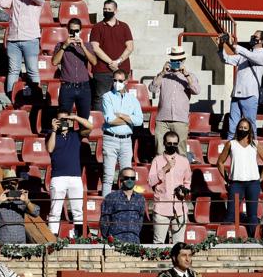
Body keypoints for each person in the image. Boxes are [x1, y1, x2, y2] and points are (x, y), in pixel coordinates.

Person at [218, 118, 263, 237]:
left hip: (253, 184)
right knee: (231, 214)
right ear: (237, 128)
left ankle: (253, 240)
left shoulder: (255, 143)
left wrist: (260, 179)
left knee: (252, 215)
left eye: (245, 128)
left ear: (249, 129)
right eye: (240, 127)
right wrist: (227, 179)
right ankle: (228, 240)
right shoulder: (231, 143)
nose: (242, 130)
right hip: (236, 184)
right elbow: (220, 162)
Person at [0, 0, 45, 101]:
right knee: (13, 71)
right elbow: (1, 3)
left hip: (30, 39)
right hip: (14, 40)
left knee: (32, 70)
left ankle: (37, 98)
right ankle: (10, 97)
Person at [47, 110, 92, 237]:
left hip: (75, 177)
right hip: (58, 177)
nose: (64, 122)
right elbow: (50, 148)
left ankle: (78, 236)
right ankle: (52, 237)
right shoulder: (52, 134)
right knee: (55, 210)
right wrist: (54, 130)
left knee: (78, 210)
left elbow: (90, 127)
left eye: (66, 120)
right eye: (60, 120)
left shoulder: (75, 134)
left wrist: (76, 117)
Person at [100, 69, 144, 198]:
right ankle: (106, 207)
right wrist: (129, 119)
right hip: (110, 139)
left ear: (126, 81)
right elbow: (110, 120)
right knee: (108, 176)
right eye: (114, 80)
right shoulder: (107, 96)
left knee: (127, 176)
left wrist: (123, 116)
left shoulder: (133, 100)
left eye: (120, 80)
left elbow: (139, 121)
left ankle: (124, 204)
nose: (117, 83)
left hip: (126, 140)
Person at [149, 46, 197, 158]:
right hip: (162, 119)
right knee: (160, 151)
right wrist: (161, 73)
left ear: (183, 60)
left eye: (178, 60)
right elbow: (152, 89)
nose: (176, 62)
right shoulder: (163, 75)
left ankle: (182, 174)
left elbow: (196, 90)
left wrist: (186, 76)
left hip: (180, 119)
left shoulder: (189, 76)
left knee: (181, 151)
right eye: (174, 60)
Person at [220, 31, 263, 140]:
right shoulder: (245, 54)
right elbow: (226, 59)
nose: (252, 38)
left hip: (250, 95)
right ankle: (230, 148)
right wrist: (221, 46)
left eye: (255, 37)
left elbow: (249, 54)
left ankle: (253, 149)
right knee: (233, 125)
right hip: (237, 94)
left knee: (250, 124)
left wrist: (231, 43)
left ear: (262, 41)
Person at [88, 0, 134, 109]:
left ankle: (120, 123)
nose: (106, 11)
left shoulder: (124, 26)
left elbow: (130, 47)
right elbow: (95, 47)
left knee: (121, 97)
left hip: (121, 69)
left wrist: (117, 62)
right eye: (105, 9)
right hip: (102, 70)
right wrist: (111, 62)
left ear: (115, 11)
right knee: (101, 98)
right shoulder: (97, 27)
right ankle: (99, 123)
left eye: (109, 9)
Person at [149, 130, 192, 244]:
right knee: (158, 243)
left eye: (174, 144)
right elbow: (151, 182)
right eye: (169, 143)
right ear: (164, 143)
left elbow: (187, 182)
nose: (172, 146)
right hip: (161, 208)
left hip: (179, 208)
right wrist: (164, 169)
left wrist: (184, 191)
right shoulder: (157, 160)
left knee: (179, 244)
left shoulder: (184, 161)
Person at [52, 18, 97, 117]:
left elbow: (94, 62)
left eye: (76, 31)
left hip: (84, 87)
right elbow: (55, 62)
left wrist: (83, 47)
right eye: (71, 31)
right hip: (67, 86)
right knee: (63, 118)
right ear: (68, 31)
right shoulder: (60, 45)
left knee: (84, 118)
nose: (74, 33)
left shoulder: (87, 45)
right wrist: (65, 46)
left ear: (80, 31)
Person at [0, 170, 39, 243]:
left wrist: (27, 201)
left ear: (17, 184)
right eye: (6, 183)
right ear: (3, 186)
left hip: (20, 244)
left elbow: (36, 213)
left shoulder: (22, 201)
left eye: (13, 183)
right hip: (2, 243)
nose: (10, 186)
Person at [100, 167, 146, 243]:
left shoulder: (140, 199)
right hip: (115, 242)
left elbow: (140, 221)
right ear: (121, 179)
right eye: (127, 178)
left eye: (132, 178)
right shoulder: (111, 197)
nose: (130, 180)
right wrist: (109, 239)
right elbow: (104, 221)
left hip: (134, 242)